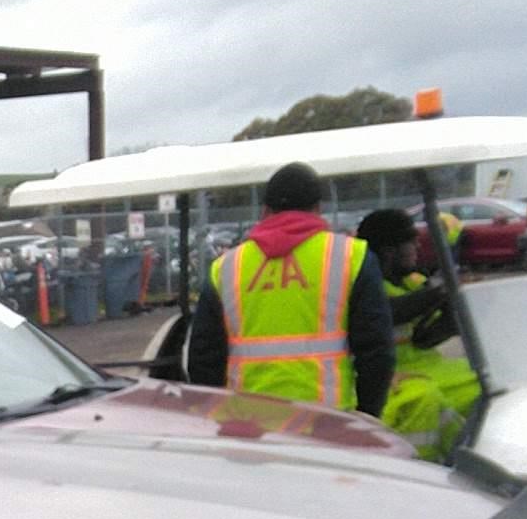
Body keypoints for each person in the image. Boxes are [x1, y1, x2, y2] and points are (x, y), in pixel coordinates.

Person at [185, 161, 394, 417]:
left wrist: (217, 419)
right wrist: (367, 416)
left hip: (248, 424)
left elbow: (203, 359)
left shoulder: (226, 267)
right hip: (328, 423)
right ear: (318, 208)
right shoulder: (351, 256)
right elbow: (376, 351)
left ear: (265, 210)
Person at [357, 206, 482, 460]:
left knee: (485, 380)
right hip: (391, 376)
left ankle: (480, 452)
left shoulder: (412, 282)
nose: (417, 245)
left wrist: (456, 310)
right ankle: (428, 465)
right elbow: (388, 312)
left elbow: (426, 338)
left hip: (426, 367)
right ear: (389, 251)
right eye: (410, 240)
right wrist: (437, 293)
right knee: (424, 400)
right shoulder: (364, 287)